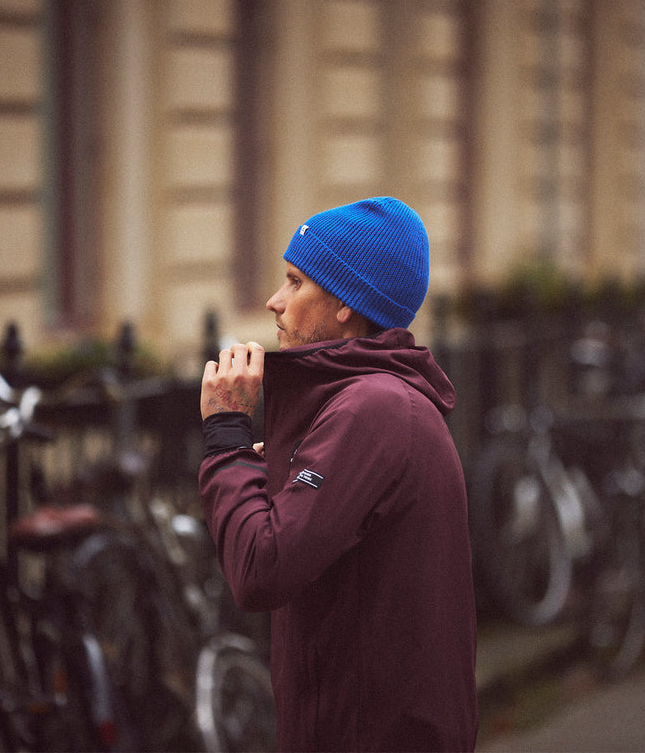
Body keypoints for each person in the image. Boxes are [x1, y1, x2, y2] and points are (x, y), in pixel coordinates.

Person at [199, 196, 479, 752]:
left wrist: (227, 436)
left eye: (296, 282)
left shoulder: (371, 411)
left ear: (348, 303)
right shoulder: (377, 402)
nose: (276, 302)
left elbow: (262, 567)